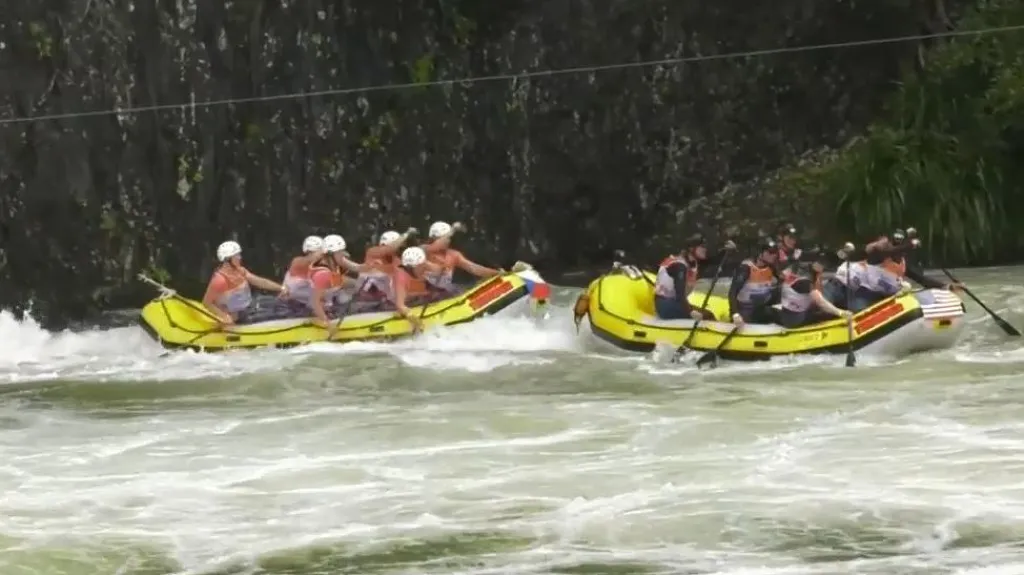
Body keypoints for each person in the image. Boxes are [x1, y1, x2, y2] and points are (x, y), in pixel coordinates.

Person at [201, 241, 289, 325]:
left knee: (283, 304)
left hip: (251, 305)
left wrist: (281, 288)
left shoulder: (240, 270)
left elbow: (259, 281)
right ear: (227, 259)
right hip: (240, 315)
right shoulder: (220, 280)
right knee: (283, 313)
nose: (240, 257)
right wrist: (224, 316)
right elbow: (206, 302)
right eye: (237, 255)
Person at [420, 220, 502, 295]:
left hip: (453, 291)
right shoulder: (423, 250)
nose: (448, 240)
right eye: (446, 237)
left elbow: (474, 268)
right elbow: (436, 245)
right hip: (428, 293)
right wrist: (453, 229)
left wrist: (497, 273)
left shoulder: (453, 255)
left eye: (449, 238)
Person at [653, 233, 719, 321]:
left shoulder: (691, 264)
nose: (705, 249)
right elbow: (680, 295)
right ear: (692, 249)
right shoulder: (680, 266)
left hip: (675, 303)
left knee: (709, 314)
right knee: (707, 316)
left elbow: (712, 261)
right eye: (702, 246)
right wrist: (690, 312)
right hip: (666, 305)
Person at [307, 234, 360, 336]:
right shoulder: (322, 274)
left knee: (350, 293)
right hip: (320, 310)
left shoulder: (331, 269)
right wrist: (327, 323)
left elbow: (350, 278)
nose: (343, 256)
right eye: (340, 253)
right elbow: (315, 303)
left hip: (330, 305)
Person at [777, 261, 852, 328]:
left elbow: (819, 286)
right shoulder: (805, 284)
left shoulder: (793, 276)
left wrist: (833, 275)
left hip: (787, 314)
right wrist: (840, 312)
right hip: (797, 320)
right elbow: (821, 303)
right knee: (828, 313)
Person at [355, 227, 418, 304]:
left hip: (386, 299)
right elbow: (390, 248)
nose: (400, 248)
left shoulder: (396, 260)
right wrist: (407, 234)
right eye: (399, 246)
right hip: (367, 299)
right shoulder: (373, 252)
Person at [728, 238, 781, 325]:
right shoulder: (746, 268)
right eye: (770, 252)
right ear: (760, 253)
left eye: (775, 252)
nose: (774, 255)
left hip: (760, 308)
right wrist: (735, 314)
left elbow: (781, 284)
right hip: (745, 310)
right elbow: (732, 292)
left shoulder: (771, 268)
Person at [390, 247, 440, 333]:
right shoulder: (401, 278)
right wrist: (412, 317)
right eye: (422, 266)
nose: (424, 267)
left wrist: (435, 268)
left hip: (418, 293)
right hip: (405, 300)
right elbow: (400, 305)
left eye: (424, 264)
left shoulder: (421, 264)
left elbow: (439, 270)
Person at [280, 235, 325, 314]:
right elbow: (292, 285)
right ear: (309, 252)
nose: (322, 255)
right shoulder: (298, 262)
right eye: (319, 252)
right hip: (293, 295)